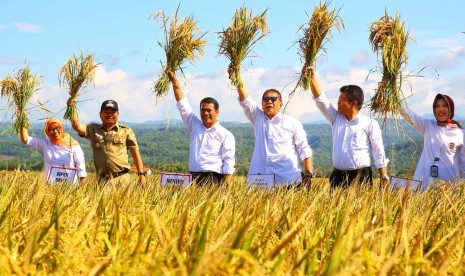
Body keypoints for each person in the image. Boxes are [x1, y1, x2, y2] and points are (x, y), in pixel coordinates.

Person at [307, 66, 389, 188]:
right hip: (337, 177)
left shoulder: (370, 123)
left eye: (341, 100)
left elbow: (378, 151)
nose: (338, 103)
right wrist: (311, 78)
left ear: (353, 103)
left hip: (361, 177)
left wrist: (383, 176)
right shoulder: (335, 118)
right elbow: (321, 100)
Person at [230, 68, 314, 187]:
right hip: (260, 181)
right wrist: (236, 76)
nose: (269, 101)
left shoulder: (292, 123)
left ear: (281, 103)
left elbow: (304, 149)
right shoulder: (257, 118)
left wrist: (308, 173)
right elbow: (245, 99)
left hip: (288, 179)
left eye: (273, 99)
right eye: (265, 99)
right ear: (262, 104)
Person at [167, 70, 236, 186]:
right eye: (203, 110)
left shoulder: (225, 134)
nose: (205, 113)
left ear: (217, 112)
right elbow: (183, 105)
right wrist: (174, 81)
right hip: (192, 176)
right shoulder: (194, 125)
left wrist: (227, 184)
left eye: (209, 110)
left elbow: (229, 160)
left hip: (213, 178)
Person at [67, 98, 147, 185]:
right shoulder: (93, 129)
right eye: (106, 112)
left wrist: (141, 174)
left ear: (118, 114)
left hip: (122, 179)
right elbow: (76, 126)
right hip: (101, 180)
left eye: (113, 112)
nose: (109, 115)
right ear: (100, 114)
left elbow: (135, 153)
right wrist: (72, 107)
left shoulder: (126, 131)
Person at [400, 94, 465, 190]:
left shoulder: (460, 133)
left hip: (448, 187)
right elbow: (408, 114)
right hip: (423, 184)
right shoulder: (428, 126)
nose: (440, 109)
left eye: (444, 105)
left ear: (451, 108)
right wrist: (395, 99)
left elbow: (464, 163)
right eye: (437, 106)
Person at [20, 118, 87, 184]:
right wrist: (22, 120)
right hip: (50, 187)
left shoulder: (73, 145)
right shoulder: (45, 144)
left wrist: (82, 186)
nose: (55, 131)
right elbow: (25, 139)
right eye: (51, 129)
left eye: (57, 128)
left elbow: (80, 165)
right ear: (47, 132)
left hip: (70, 187)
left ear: (61, 128)